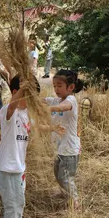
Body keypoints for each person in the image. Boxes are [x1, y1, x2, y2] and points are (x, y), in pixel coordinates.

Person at [0, 76, 30, 218]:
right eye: (28, 94)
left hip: (19, 168)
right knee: (14, 205)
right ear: (16, 92)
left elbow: (38, 126)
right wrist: (24, 87)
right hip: (8, 168)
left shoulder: (27, 113)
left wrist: (52, 128)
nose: (32, 99)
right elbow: (10, 108)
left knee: (17, 202)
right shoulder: (8, 111)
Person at [45, 69, 83, 209]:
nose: (56, 89)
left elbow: (63, 107)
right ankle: (66, 193)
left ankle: (75, 201)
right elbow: (43, 100)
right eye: (54, 85)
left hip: (70, 148)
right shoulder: (55, 100)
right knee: (58, 172)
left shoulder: (70, 100)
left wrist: (50, 109)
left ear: (71, 87)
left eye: (59, 85)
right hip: (61, 147)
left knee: (65, 177)